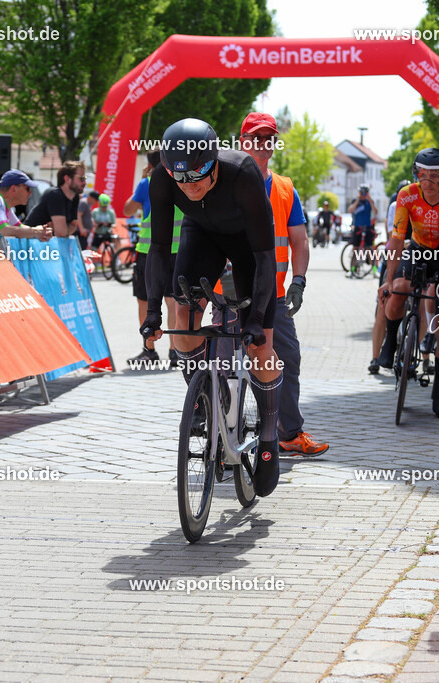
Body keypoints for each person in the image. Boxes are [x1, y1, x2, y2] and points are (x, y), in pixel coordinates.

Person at [141, 118, 282, 497]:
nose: (190, 186)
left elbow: (266, 256)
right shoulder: (162, 178)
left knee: (260, 348)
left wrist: (254, 319)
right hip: (201, 235)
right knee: (182, 329)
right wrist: (153, 310)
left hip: (248, 245)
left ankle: (269, 434)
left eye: (199, 176)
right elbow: (157, 248)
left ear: (214, 161)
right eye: (181, 179)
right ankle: (208, 397)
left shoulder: (242, 171)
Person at [237, 112, 328, 457]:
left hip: (273, 295)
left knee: (285, 358)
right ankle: (218, 431)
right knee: (221, 365)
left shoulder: (285, 187)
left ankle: (288, 433)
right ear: (242, 140)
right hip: (228, 292)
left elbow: (299, 241)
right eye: (255, 137)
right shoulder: (224, 180)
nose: (263, 144)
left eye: (268, 138)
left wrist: (299, 281)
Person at [376, 148, 439, 418]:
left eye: (434, 175)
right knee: (399, 289)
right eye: (422, 174)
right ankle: (391, 340)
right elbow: (396, 238)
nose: (426, 180)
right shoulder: (407, 195)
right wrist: (388, 279)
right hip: (416, 248)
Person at [126, 150, 180, 366]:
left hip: (149, 252)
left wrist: (143, 179)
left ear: (150, 164)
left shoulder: (147, 183)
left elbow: (127, 209)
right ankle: (175, 351)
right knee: (174, 302)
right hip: (177, 250)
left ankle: (149, 349)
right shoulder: (181, 181)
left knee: (146, 300)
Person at [370, 178, 411, 375]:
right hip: (395, 255)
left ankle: (415, 354)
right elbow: (392, 235)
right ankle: (375, 357)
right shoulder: (396, 206)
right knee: (383, 305)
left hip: (416, 257)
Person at [0, 169, 52, 240]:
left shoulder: (5, 205)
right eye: (27, 189)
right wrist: (35, 231)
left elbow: (20, 228)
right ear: (13, 189)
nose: (30, 193)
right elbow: (5, 230)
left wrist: (40, 233)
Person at [25, 161, 86, 239]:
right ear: (67, 179)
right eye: (81, 178)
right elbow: (61, 233)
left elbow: (73, 227)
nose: (84, 182)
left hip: (46, 242)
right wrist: (62, 229)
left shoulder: (75, 197)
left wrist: (59, 229)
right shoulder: (55, 195)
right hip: (30, 241)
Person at [348, 184, 377, 250]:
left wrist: (370, 200)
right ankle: (354, 260)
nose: (363, 195)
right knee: (355, 247)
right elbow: (350, 210)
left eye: (365, 193)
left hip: (367, 227)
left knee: (369, 248)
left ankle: (369, 260)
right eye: (361, 193)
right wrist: (358, 199)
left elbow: (375, 212)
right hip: (357, 227)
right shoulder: (355, 200)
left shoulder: (369, 202)